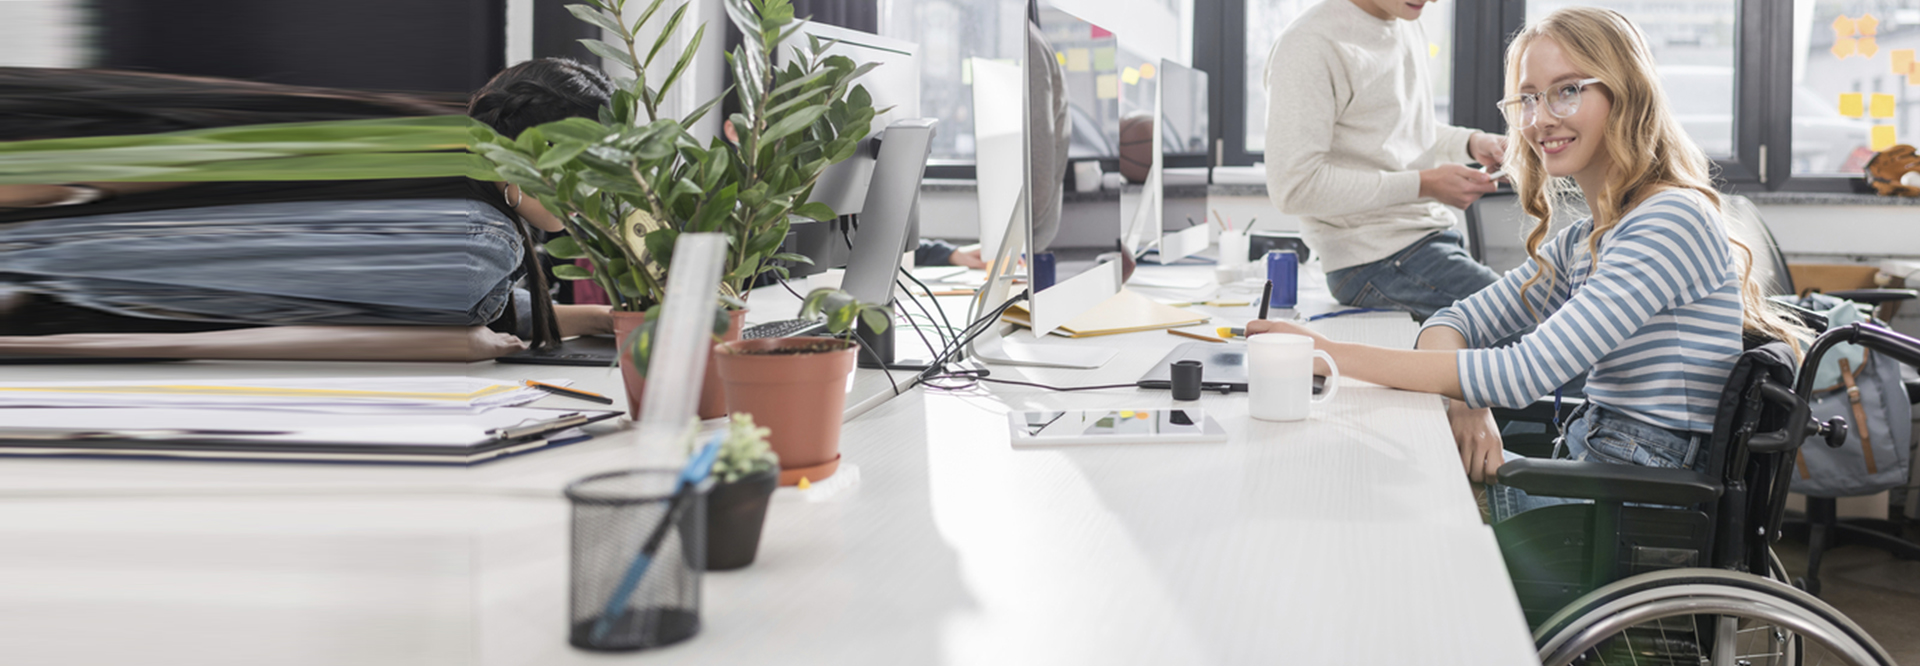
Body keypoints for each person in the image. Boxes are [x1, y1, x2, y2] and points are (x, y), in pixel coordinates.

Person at [1246, 6, 1808, 521]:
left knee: (1382, 500)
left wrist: (1325, 354)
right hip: (1603, 471)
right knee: (1385, 475)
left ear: (1627, 94)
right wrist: (1464, 397)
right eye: (1529, 99)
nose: (1540, 119)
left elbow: (1522, 374)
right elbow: (1456, 321)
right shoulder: (1589, 237)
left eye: (1567, 91)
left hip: (1639, 504)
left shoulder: (1667, 222)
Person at [0, 59, 613, 343]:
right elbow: (467, 310)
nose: (595, 196)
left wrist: (594, 320)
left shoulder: (447, 178)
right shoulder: (485, 239)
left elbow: (490, 306)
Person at [1263, 0, 1506, 319]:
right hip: (1374, 262)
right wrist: (1424, 184)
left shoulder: (1406, 21)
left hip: (1426, 244)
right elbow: (1294, 187)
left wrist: (1471, 142)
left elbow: (1397, 129)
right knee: (1541, 326)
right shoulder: (1310, 45)